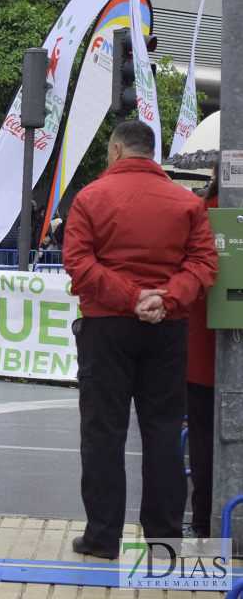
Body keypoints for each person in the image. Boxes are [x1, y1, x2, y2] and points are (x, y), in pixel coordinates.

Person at [64, 120, 218, 559]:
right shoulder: (186, 203)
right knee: (165, 432)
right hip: (168, 329)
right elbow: (205, 264)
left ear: (115, 150)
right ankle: (164, 538)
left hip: (106, 327)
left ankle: (103, 538)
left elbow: (78, 263)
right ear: (152, 154)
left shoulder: (90, 198)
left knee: (103, 432)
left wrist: (131, 299)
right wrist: (165, 300)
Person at [185, 168, 219, 540]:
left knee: (203, 438)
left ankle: (205, 523)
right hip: (208, 349)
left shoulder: (198, 213)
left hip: (200, 351)